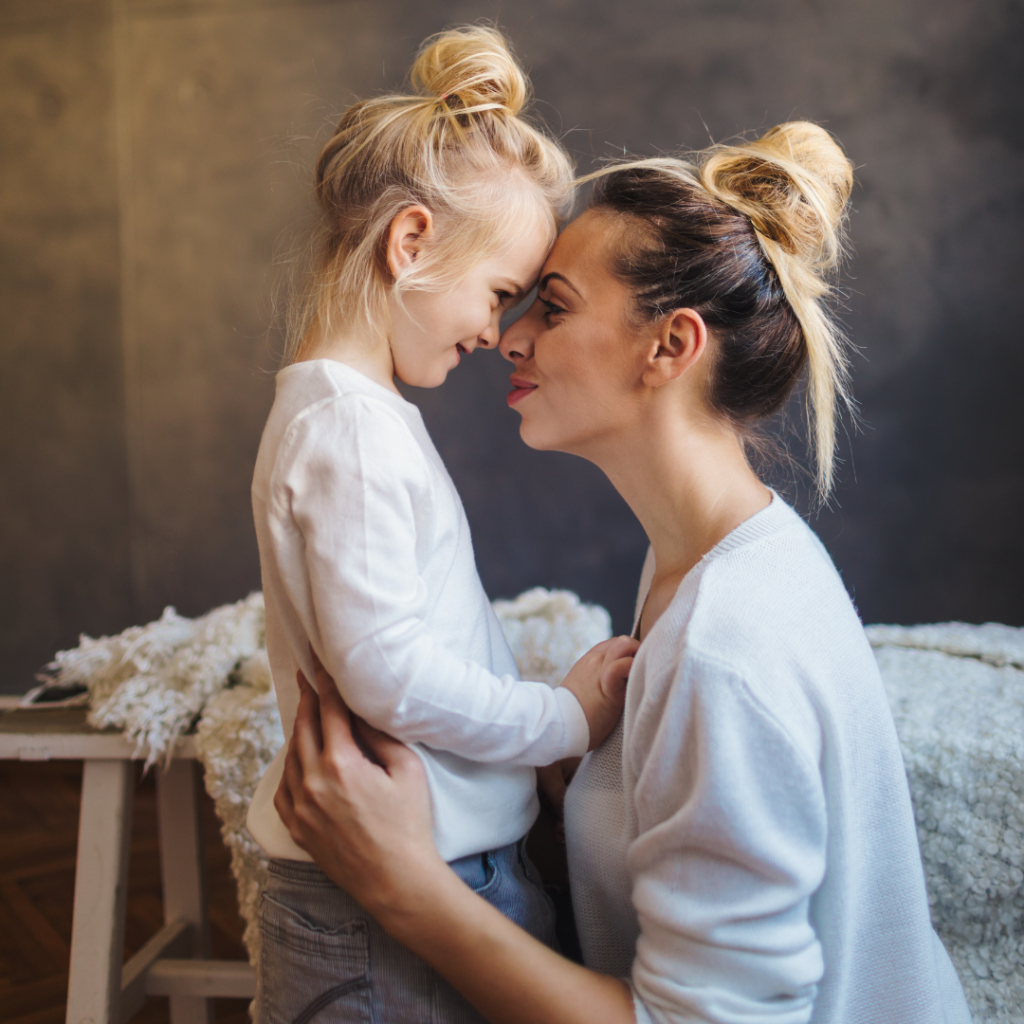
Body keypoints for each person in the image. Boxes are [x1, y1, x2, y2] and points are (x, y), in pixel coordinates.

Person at [273, 122, 973, 1023]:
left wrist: (405, 885)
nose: (509, 337)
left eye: (553, 308)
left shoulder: (725, 648)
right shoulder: (703, 556)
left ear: (670, 348)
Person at [246, 26, 637, 1024]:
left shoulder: (351, 414)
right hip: (390, 898)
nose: (499, 333)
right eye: (500, 294)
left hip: (446, 864)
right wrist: (560, 719)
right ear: (410, 242)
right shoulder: (348, 427)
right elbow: (389, 670)